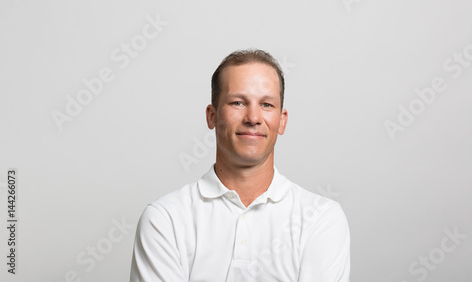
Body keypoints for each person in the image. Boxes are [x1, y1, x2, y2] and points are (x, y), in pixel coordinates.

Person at [130, 49, 350, 281]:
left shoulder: (321, 218)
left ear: (282, 121)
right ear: (212, 116)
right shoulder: (166, 219)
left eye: (266, 104)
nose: (253, 117)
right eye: (237, 102)